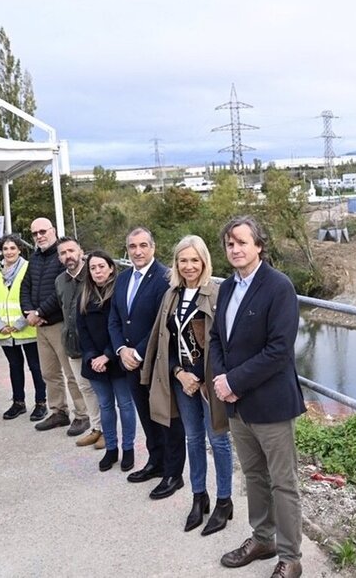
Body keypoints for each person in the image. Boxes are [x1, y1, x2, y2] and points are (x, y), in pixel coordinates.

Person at [211, 216, 305, 578]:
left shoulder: (278, 287)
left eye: (241, 243)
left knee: (283, 482)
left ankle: (290, 557)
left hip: (270, 403)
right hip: (237, 403)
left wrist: (233, 381)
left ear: (259, 246)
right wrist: (222, 378)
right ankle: (262, 538)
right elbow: (218, 338)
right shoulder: (226, 288)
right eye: (229, 244)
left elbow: (279, 349)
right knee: (253, 475)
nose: (234, 249)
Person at [143, 235, 233, 534]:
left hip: (209, 381)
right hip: (182, 380)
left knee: (218, 439)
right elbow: (162, 342)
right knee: (193, 439)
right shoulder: (171, 295)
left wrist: (202, 377)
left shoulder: (216, 294)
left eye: (195, 260)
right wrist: (179, 373)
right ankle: (199, 497)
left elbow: (222, 342)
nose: (189, 265)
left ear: (204, 262)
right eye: (184, 260)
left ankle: (223, 501)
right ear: (176, 264)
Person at [108, 227, 186, 499]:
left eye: (143, 245)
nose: (138, 251)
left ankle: (174, 474)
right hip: (129, 362)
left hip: (157, 361)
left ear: (153, 247)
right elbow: (115, 318)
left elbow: (162, 322)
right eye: (132, 246)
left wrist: (138, 353)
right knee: (146, 416)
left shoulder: (165, 278)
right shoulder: (123, 278)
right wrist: (120, 349)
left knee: (167, 419)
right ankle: (156, 462)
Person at [22, 217, 90, 437]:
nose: (39, 236)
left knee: (71, 373)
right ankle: (58, 411)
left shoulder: (61, 257)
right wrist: (29, 312)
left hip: (59, 324)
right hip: (40, 327)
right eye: (35, 233)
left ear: (53, 231)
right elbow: (25, 286)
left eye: (43, 231)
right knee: (49, 373)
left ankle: (82, 414)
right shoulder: (34, 258)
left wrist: (39, 312)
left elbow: (59, 291)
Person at [76, 250, 137, 473]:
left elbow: (121, 326)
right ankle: (111, 449)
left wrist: (109, 355)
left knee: (126, 405)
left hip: (117, 359)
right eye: (93, 268)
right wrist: (93, 356)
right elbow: (81, 329)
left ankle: (128, 449)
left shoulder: (120, 292)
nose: (97, 271)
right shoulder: (84, 294)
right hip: (95, 363)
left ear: (111, 267)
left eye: (101, 266)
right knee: (105, 406)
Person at [0, 233, 47, 421]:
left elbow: (34, 297)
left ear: (20, 249)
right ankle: (18, 402)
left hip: (26, 327)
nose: (9, 252)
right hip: (4, 330)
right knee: (14, 366)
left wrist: (21, 322)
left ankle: (41, 403)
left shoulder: (28, 268)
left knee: (35, 366)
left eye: (13, 248)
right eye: (5, 248)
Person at [55, 237, 104, 449]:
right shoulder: (60, 281)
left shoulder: (93, 276)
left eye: (71, 251)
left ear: (80, 251)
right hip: (72, 345)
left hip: (94, 345)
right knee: (85, 388)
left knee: (102, 390)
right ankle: (96, 428)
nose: (68, 256)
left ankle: (107, 432)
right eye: (63, 253)